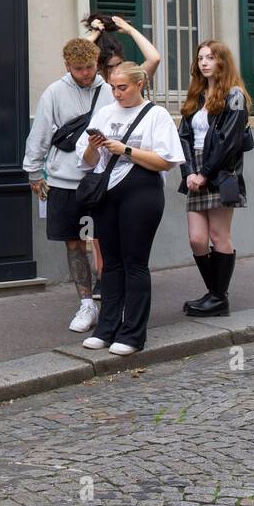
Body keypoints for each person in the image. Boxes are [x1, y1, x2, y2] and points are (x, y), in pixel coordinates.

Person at [76, 62, 184, 355]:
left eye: (122, 87)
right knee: (110, 264)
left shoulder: (156, 114)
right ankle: (106, 328)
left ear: (139, 84)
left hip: (141, 191)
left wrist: (124, 149)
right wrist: (94, 146)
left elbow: (167, 161)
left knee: (134, 262)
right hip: (106, 193)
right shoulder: (105, 112)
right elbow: (86, 161)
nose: (116, 93)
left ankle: (133, 334)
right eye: (112, 87)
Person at [23, 38, 106, 334]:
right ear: (67, 66)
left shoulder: (108, 91)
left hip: (101, 179)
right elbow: (41, 133)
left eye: (90, 67)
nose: (86, 73)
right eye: (79, 68)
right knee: (73, 242)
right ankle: (86, 304)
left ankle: (109, 299)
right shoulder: (54, 93)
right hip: (64, 180)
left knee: (104, 239)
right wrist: (34, 172)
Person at [83, 13, 161, 300]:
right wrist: (94, 33)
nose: (114, 76)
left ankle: (117, 285)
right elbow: (77, 56)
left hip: (131, 169)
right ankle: (106, 282)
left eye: (117, 66)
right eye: (107, 67)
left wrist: (128, 28)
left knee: (126, 238)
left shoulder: (130, 82)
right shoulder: (94, 83)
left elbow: (153, 58)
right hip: (98, 159)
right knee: (99, 236)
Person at [177, 40, 251, 318]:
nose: (204, 62)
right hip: (194, 170)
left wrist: (205, 174)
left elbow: (228, 142)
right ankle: (216, 294)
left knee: (219, 235)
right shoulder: (196, 95)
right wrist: (189, 174)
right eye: (200, 58)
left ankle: (218, 297)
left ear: (222, 62)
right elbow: (182, 136)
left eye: (210, 57)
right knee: (197, 240)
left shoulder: (234, 95)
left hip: (219, 172)